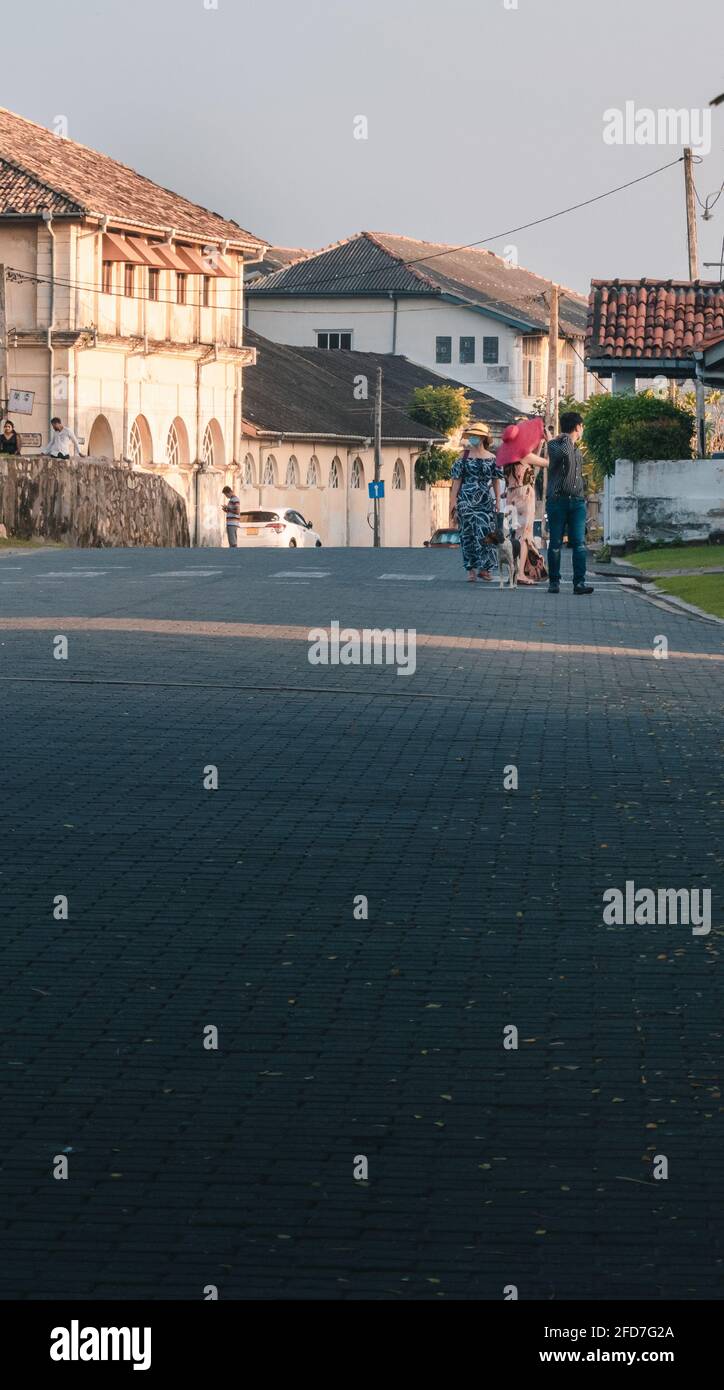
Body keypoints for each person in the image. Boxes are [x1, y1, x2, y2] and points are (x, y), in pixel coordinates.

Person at [495, 417, 548, 585]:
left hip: (510, 497)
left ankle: (514, 570)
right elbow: (546, 463)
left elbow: (533, 467)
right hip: (525, 495)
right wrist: (549, 440)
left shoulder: (509, 458)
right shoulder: (525, 455)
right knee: (524, 536)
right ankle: (519, 574)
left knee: (514, 535)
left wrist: (539, 445)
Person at [546, 411, 593, 595]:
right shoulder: (555, 445)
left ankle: (579, 583)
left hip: (577, 502)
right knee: (555, 543)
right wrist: (565, 437)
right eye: (581, 426)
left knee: (579, 544)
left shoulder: (577, 449)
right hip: (558, 500)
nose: (582, 430)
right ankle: (554, 582)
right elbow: (563, 454)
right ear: (577, 427)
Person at [449, 424, 502, 581]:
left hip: (484, 501)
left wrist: (498, 499)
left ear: (483, 438)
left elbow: (496, 481)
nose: (473, 438)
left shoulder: (492, 458)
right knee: (467, 536)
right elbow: (456, 482)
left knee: (487, 534)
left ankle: (485, 569)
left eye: (476, 435)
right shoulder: (463, 456)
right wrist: (453, 503)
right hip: (465, 501)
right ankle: (471, 570)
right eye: (472, 435)